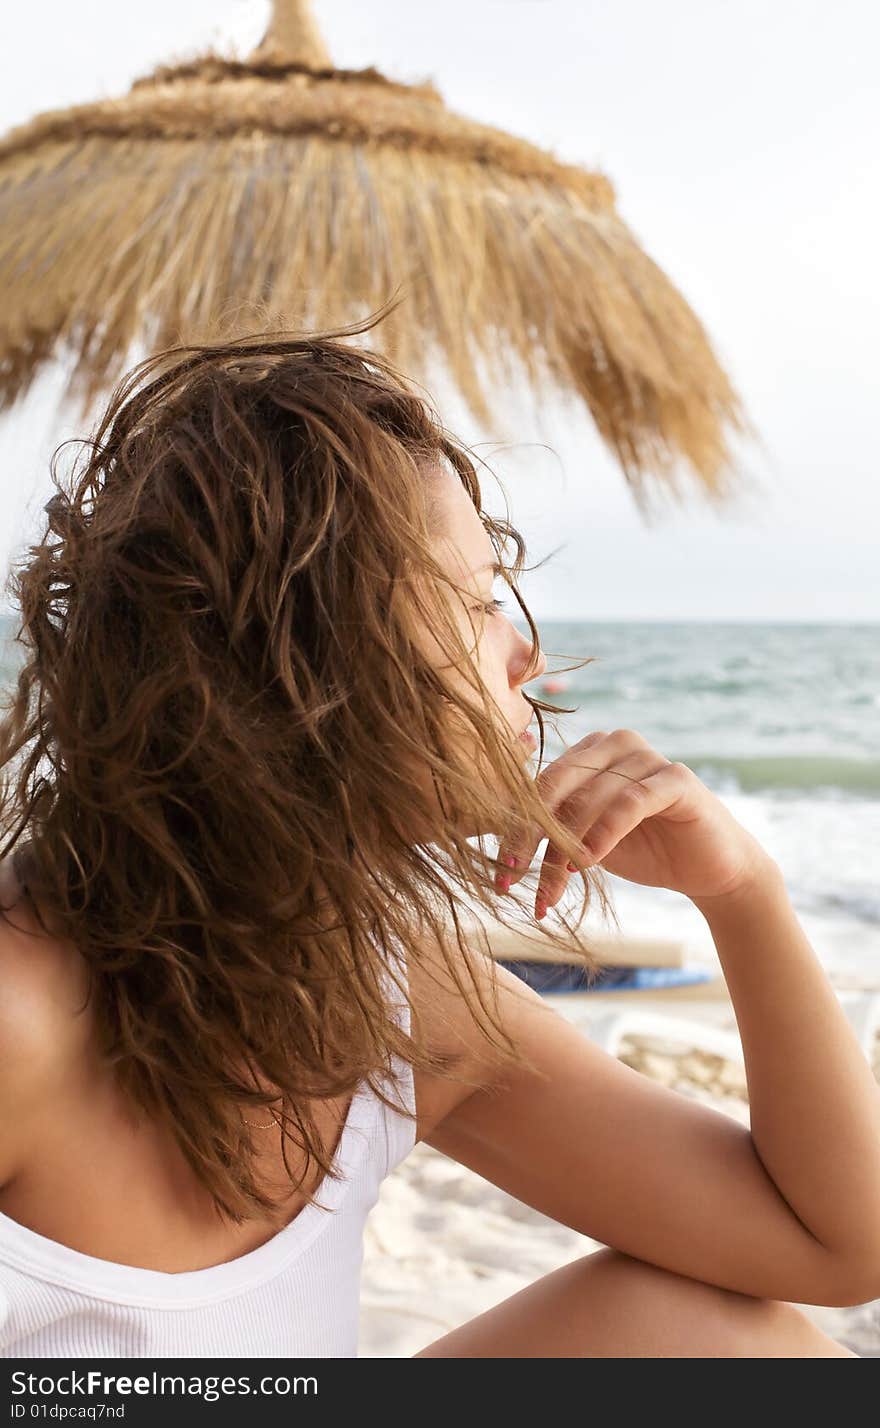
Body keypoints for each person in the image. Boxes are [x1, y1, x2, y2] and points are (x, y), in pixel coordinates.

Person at [0, 311, 876, 1359]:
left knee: (712, 1335)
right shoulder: (22, 1014)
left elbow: (829, 1247)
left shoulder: (389, 995)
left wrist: (741, 892)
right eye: (472, 602)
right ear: (299, 654)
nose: (525, 657)